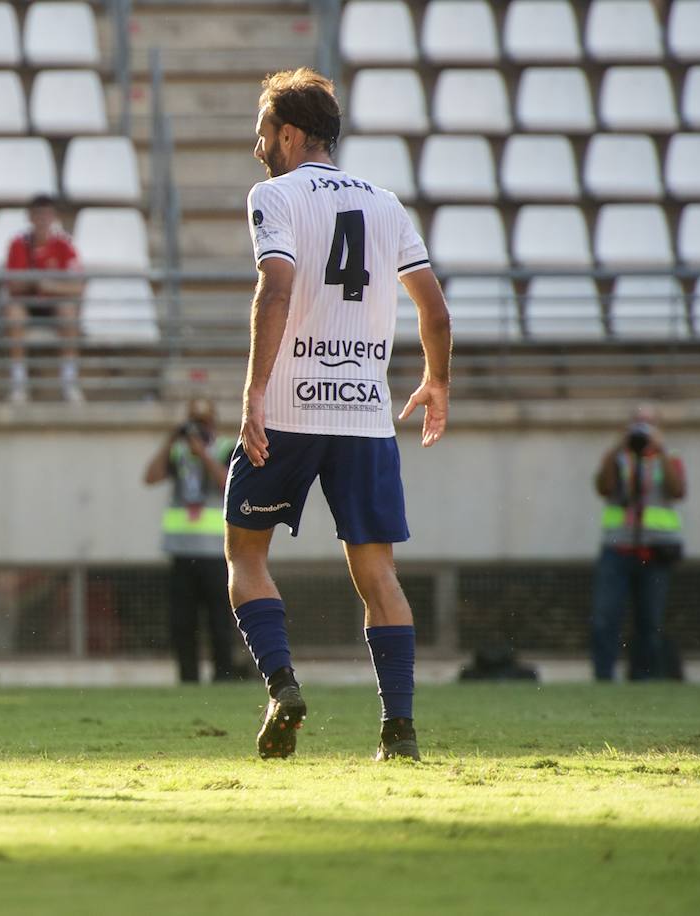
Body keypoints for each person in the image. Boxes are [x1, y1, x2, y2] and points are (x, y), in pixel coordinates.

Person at [224, 68, 451, 761]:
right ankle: (399, 732)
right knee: (378, 574)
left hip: (291, 407)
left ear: (288, 134)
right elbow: (434, 310)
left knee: (244, 553)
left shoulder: (275, 196)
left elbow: (275, 292)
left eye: (264, 130)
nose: (259, 143)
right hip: (364, 414)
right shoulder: (386, 203)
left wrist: (254, 394)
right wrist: (437, 381)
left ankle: (283, 683)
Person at [143, 397, 240, 683]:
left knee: (219, 620)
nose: (198, 430)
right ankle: (188, 678)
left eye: (203, 423)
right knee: (182, 622)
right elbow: (150, 477)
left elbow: (229, 484)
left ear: (214, 423)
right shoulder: (179, 453)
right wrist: (171, 440)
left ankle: (224, 676)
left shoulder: (225, 449)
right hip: (182, 551)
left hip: (215, 551)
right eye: (193, 424)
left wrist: (205, 455)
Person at [591, 406, 686, 681]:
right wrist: (617, 448)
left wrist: (661, 450)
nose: (642, 429)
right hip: (617, 548)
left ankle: (643, 676)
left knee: (650, 620)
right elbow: (603, 487)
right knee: (604, 617)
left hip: (656, 550)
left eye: (649, 423)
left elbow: (677, 489)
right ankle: (603, 676)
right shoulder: (618, 457)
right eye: (637, 422)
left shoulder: (669, 458)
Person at [3, 194, 86, 404]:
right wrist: (37, 283)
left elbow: (77, 286)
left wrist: (47, 284)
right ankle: (18, 383)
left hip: (52, 302)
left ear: (53, 217)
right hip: (27, 302)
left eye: (46, 215)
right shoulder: (17, 244)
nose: (42, 220)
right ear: (29, 217)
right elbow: (13, 285)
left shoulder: (63, 244)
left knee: (68, 311)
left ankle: (69, 381)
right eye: (37, 215)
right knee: (14, 313)